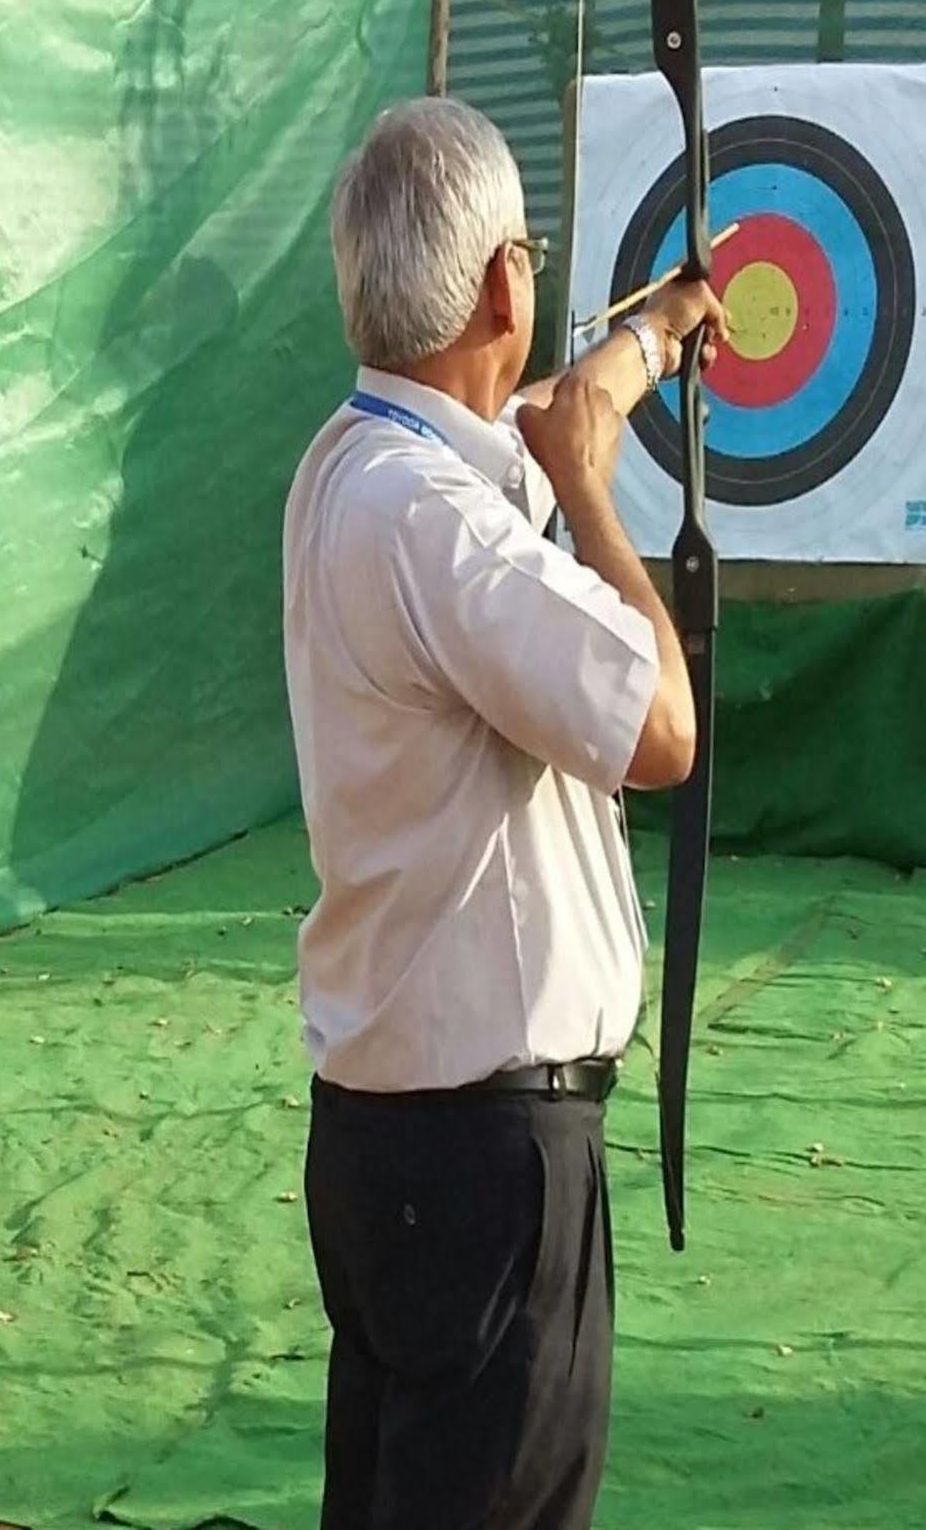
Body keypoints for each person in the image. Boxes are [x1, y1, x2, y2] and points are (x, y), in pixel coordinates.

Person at [282, 95, 727, 1530]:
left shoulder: (350, 469)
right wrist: (591, 485)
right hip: (484, 1165)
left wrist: (642, 348)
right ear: (499, 286)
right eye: (528, 251)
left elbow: (509, 467)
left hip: (390, 1146)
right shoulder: (432, 518)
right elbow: (662, 730)